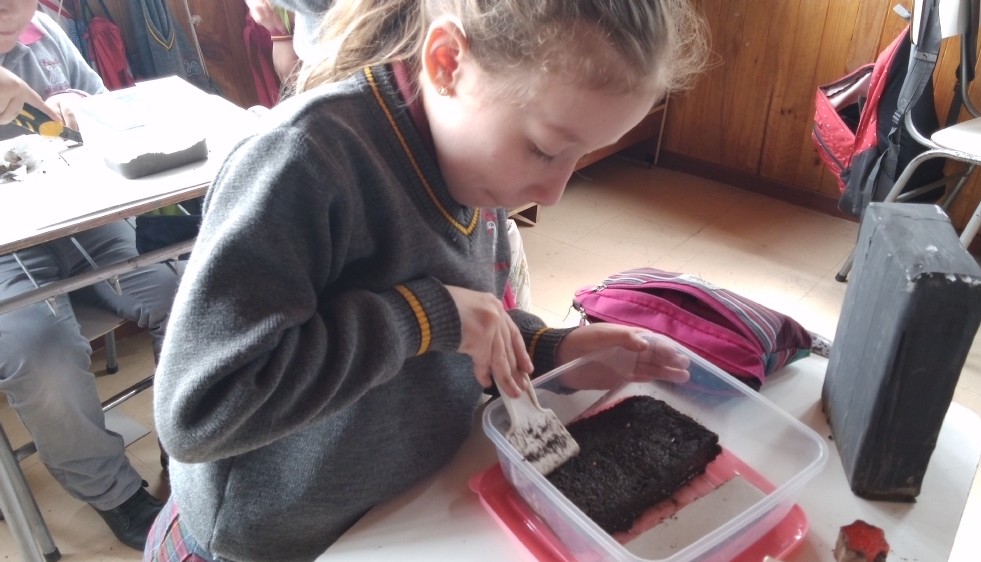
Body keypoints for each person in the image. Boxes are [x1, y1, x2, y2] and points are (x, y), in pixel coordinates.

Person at [146, 0, 707, 560]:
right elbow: (199, 415)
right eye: (544, 149)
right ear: (446, 62)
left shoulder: (472, 160)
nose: (554, 192)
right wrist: (424, 317)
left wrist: (551, 350)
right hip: (271, 547)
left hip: (398, 519)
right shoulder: (302, 160)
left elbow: (464, 322)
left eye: (582, 154)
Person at [0, 4, 171, 551]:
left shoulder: (43, 31)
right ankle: (116, 495)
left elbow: (104, 115)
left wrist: (81, 108)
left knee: (181, 293)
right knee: (40, 351)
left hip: (81, 215)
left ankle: (189, 447)